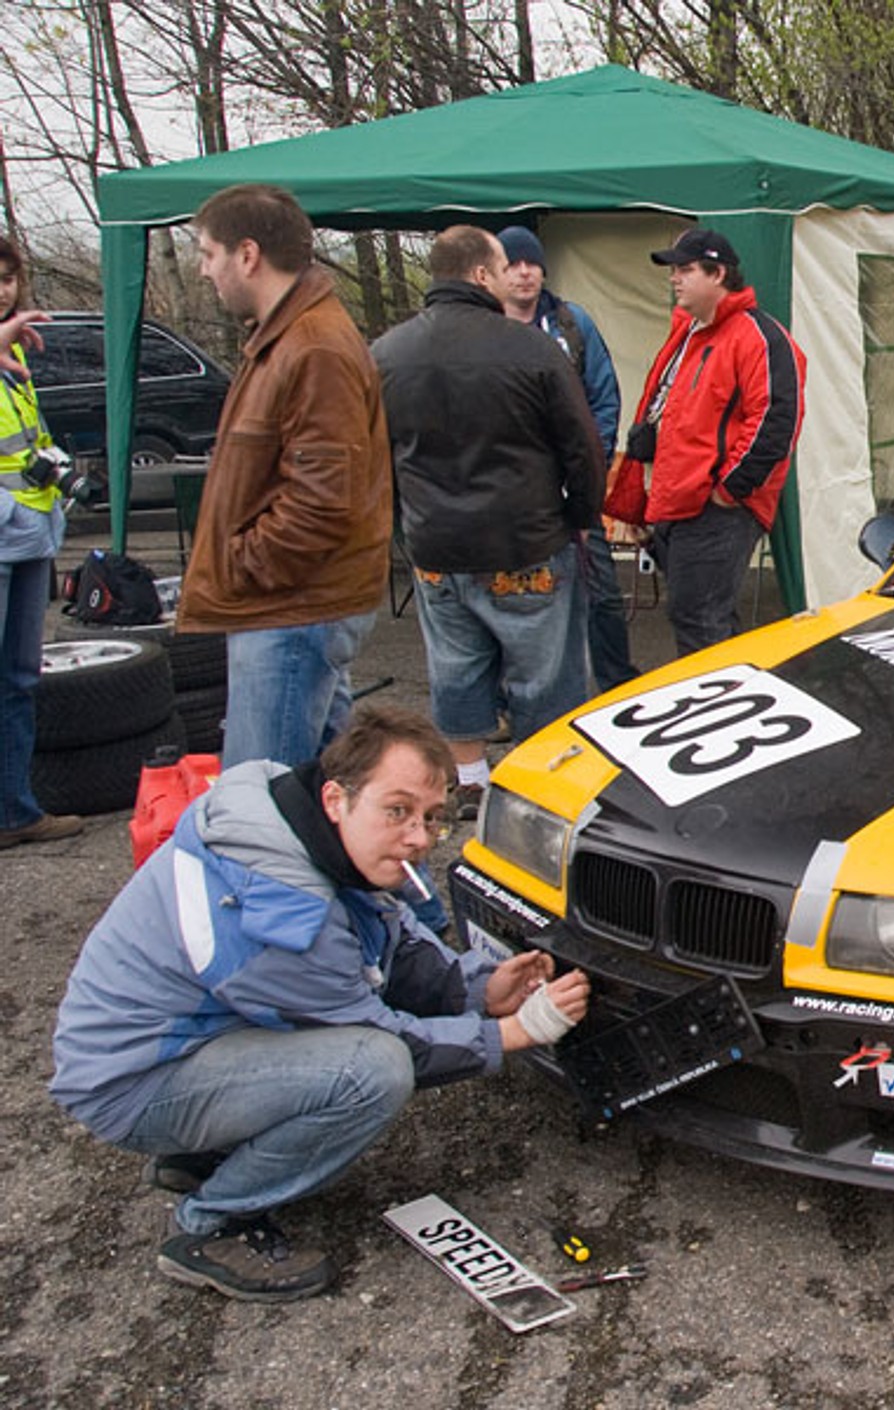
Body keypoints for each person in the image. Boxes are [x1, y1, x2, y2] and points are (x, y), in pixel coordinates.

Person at [50, 706, 590, 1303]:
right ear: (337, 797)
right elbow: (390, 1040)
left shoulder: (296, 824)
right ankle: (211, 1223)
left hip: (184, 1045)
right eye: (398, 810)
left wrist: (477, 989)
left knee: (363, 1044)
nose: (418, 837)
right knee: (371, 1072)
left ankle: (203, 1155)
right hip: (131, 1086)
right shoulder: (281, 914)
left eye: (431, 818)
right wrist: (519, 1030)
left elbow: (389, 935)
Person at [371, 226, 605, 819]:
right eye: (503, 268)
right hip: (525, 541)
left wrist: (405, 526)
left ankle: (471, 782)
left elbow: (374, 458)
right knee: (544, 673)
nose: (512, 278)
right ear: (481, 275)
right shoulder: (530, 349)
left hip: (435, 549)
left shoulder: (385, 354)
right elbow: (581, 447)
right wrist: (580, 516)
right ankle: (536, 795)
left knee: (454, 665)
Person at [178, 183, 393, 769]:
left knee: (260, 804)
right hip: (290, 605)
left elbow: (324, 501)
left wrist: (242, 562)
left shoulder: (313, 347)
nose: (202, 271)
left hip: (289, 608)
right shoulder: (286, 340)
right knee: (323, 796)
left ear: (247, 254)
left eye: (206, 253)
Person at [608, 228, 806, 657]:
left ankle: (715, 712)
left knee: (700, 620)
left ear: (718, 274)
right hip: (677, 501)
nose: (674, 278)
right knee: (699, 619)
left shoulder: (758, 336)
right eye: (673, 270)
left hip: (715, 507)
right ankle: (731, 703)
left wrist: (729, 490)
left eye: (685, 269)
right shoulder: (690, 334)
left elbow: (776, 421)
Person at [495, 225, 636, 693]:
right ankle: (511, 695)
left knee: (599, 590)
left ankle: (617, 684)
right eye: (513, 265)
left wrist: (586, 465)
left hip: (574, 487)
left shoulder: (573, 324)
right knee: (509, 595)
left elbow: (604, 396)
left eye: (531, 264)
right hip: (507, 493)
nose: (523, 274)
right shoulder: (483, 330)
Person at [1, 239, 82, 851]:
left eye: (8, 278)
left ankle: (15, 811)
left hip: (27, 537)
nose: (3, 290)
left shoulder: (16, 362)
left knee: (19, 679)